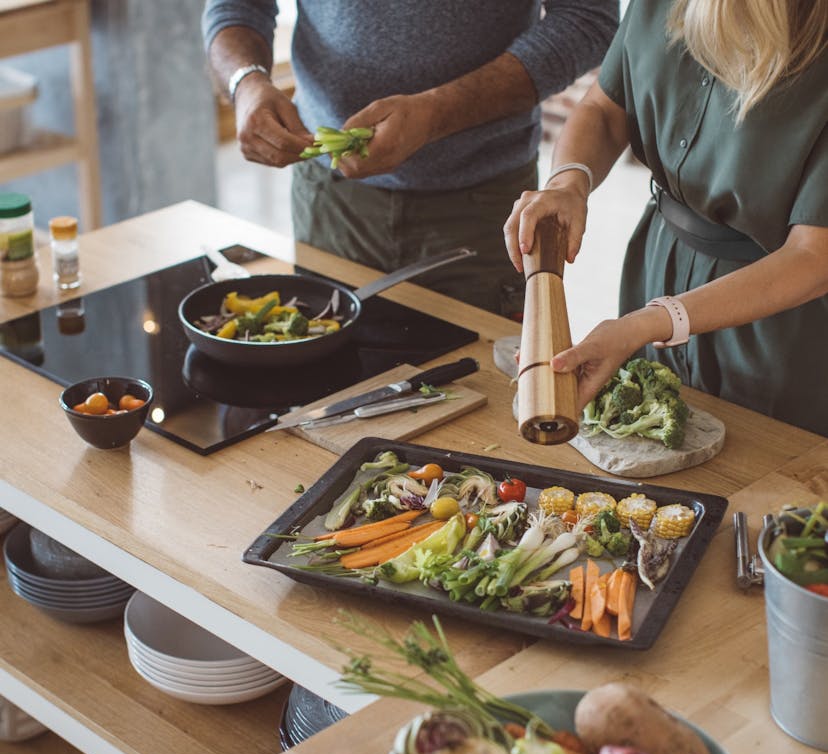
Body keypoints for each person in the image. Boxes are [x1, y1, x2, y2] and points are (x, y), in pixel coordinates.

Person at [504, 0, 828, 436]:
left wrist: (646, 324)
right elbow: (604, 108)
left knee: (765, 482)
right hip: (658, 263)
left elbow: (813, 257)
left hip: (778, 322)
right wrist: (568, 183)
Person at [202, 0, 618, 317]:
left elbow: (586, 19)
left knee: (481, 405)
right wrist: (245, 82)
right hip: (328, 200)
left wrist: (437, 113)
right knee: (324, 391)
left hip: (485, 209)